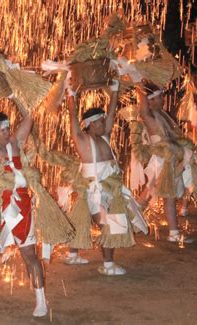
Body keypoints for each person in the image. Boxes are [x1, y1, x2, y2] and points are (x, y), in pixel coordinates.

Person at [0, 109, 48, 317]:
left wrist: (17, 96)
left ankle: (41, 300)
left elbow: (30, 117)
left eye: (8, 128)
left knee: (30, 254)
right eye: (3, 130)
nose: (8, 132)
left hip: (21, 206)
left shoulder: (14, 145)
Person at [65, 81, 147, 275]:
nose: (105, 123)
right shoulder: (83, 140)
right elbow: (73, 120)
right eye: (100, 121)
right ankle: (107, 265)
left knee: (99, 223)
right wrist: (71, 96)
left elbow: (111, 114)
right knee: (110, 225)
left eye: (103, 120)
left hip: (112, 190)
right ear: (90, 125)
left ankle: (72, 254)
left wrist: (116, 90)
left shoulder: (104, 137)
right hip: (96, 192)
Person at [135, 82, 193, 243]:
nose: (163, 99)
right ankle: (173, 233)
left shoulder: (162, 115)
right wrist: (139, 86)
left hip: (169, 158)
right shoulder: (150, 116)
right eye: (159, 97)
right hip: (162, 161)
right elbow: (143, 109)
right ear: (150, 101)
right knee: (168, 196)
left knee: (150, 191)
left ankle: (130, 218)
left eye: (162, 96)